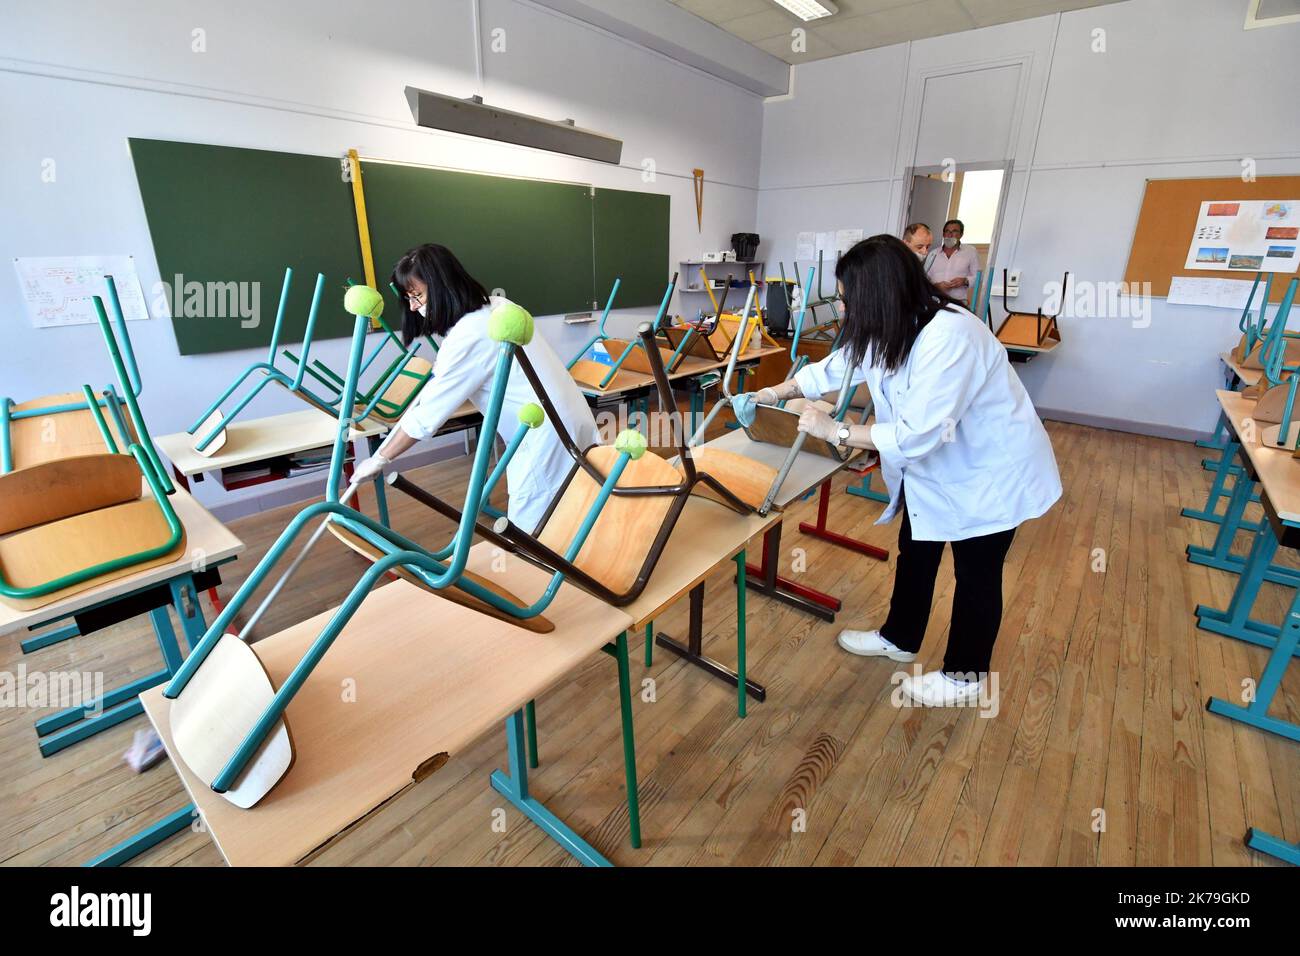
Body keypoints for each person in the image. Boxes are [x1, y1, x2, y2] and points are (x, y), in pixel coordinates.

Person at [745, 235, 1060, 706]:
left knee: (977, 574)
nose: (846, 309)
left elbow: (919, 433)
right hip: (937, 471)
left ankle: (965, 678)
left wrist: (838, 431)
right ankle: (901, 636)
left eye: (849, 299)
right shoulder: (892, 326)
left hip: (990, 473)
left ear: (877, 295)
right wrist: (775, 393)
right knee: (916, 550)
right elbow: (835, 368)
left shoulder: (952, 335)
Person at [351, 243, 599, 533]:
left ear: (442, 285)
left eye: (418, 295)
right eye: (409, 298)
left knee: (534, 531)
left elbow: (427, 415)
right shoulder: (499, 305)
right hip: (569, 417)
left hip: (543, 435)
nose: (414, 307)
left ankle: (551, 574)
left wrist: (381, 457)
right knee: (580, 506)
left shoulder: (469, 334)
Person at [925, 218, 979, 305]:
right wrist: (936, 287)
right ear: (943, 234)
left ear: (961, 234)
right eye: (947, 231)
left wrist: (965, 281)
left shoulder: (970, 252)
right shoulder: (933, 254)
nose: (950, 235)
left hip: (958, 303)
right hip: (935, 301)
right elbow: (924, 279)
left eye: (954, 231)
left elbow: (978, 277)